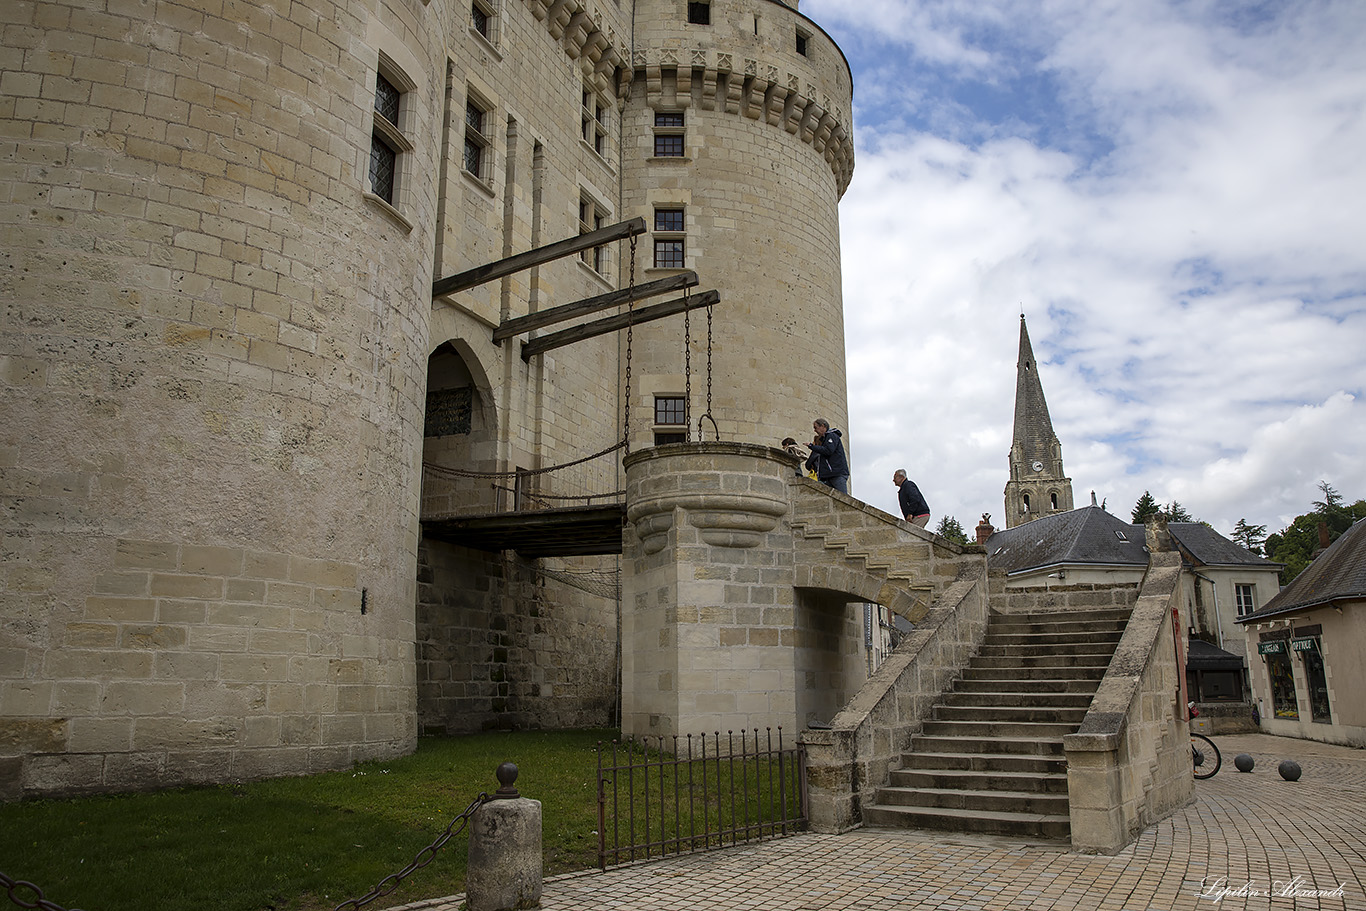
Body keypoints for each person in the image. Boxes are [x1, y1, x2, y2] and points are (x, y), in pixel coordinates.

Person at [804, 418, 849, 494]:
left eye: (815, 427)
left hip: (836, 474)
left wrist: (812, 446)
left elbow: (828, 450)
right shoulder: (826, 438)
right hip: (829, 475)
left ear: (822, 426)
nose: (815, 430)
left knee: (843, 499)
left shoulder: (831, 435)